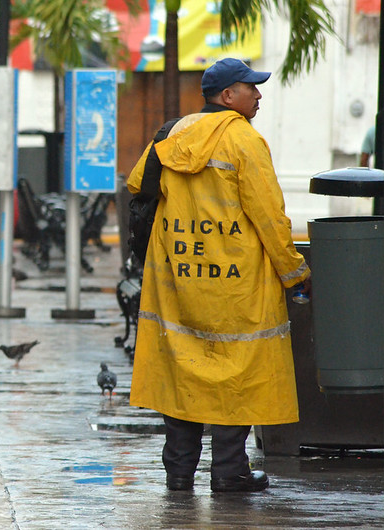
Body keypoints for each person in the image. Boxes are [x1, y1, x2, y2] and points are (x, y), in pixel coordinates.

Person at [126, 58, 311, 493]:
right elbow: (269, 217)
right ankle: (230, 471)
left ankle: (179, 472)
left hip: (178, 279)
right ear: (228, 96)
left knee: (181, 371)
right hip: (237, 286)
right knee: (239, 374)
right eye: (252, 88)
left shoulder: (170, 135)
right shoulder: (245, 141)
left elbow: (138, 185)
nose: (259, 96)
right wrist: (295, 273)